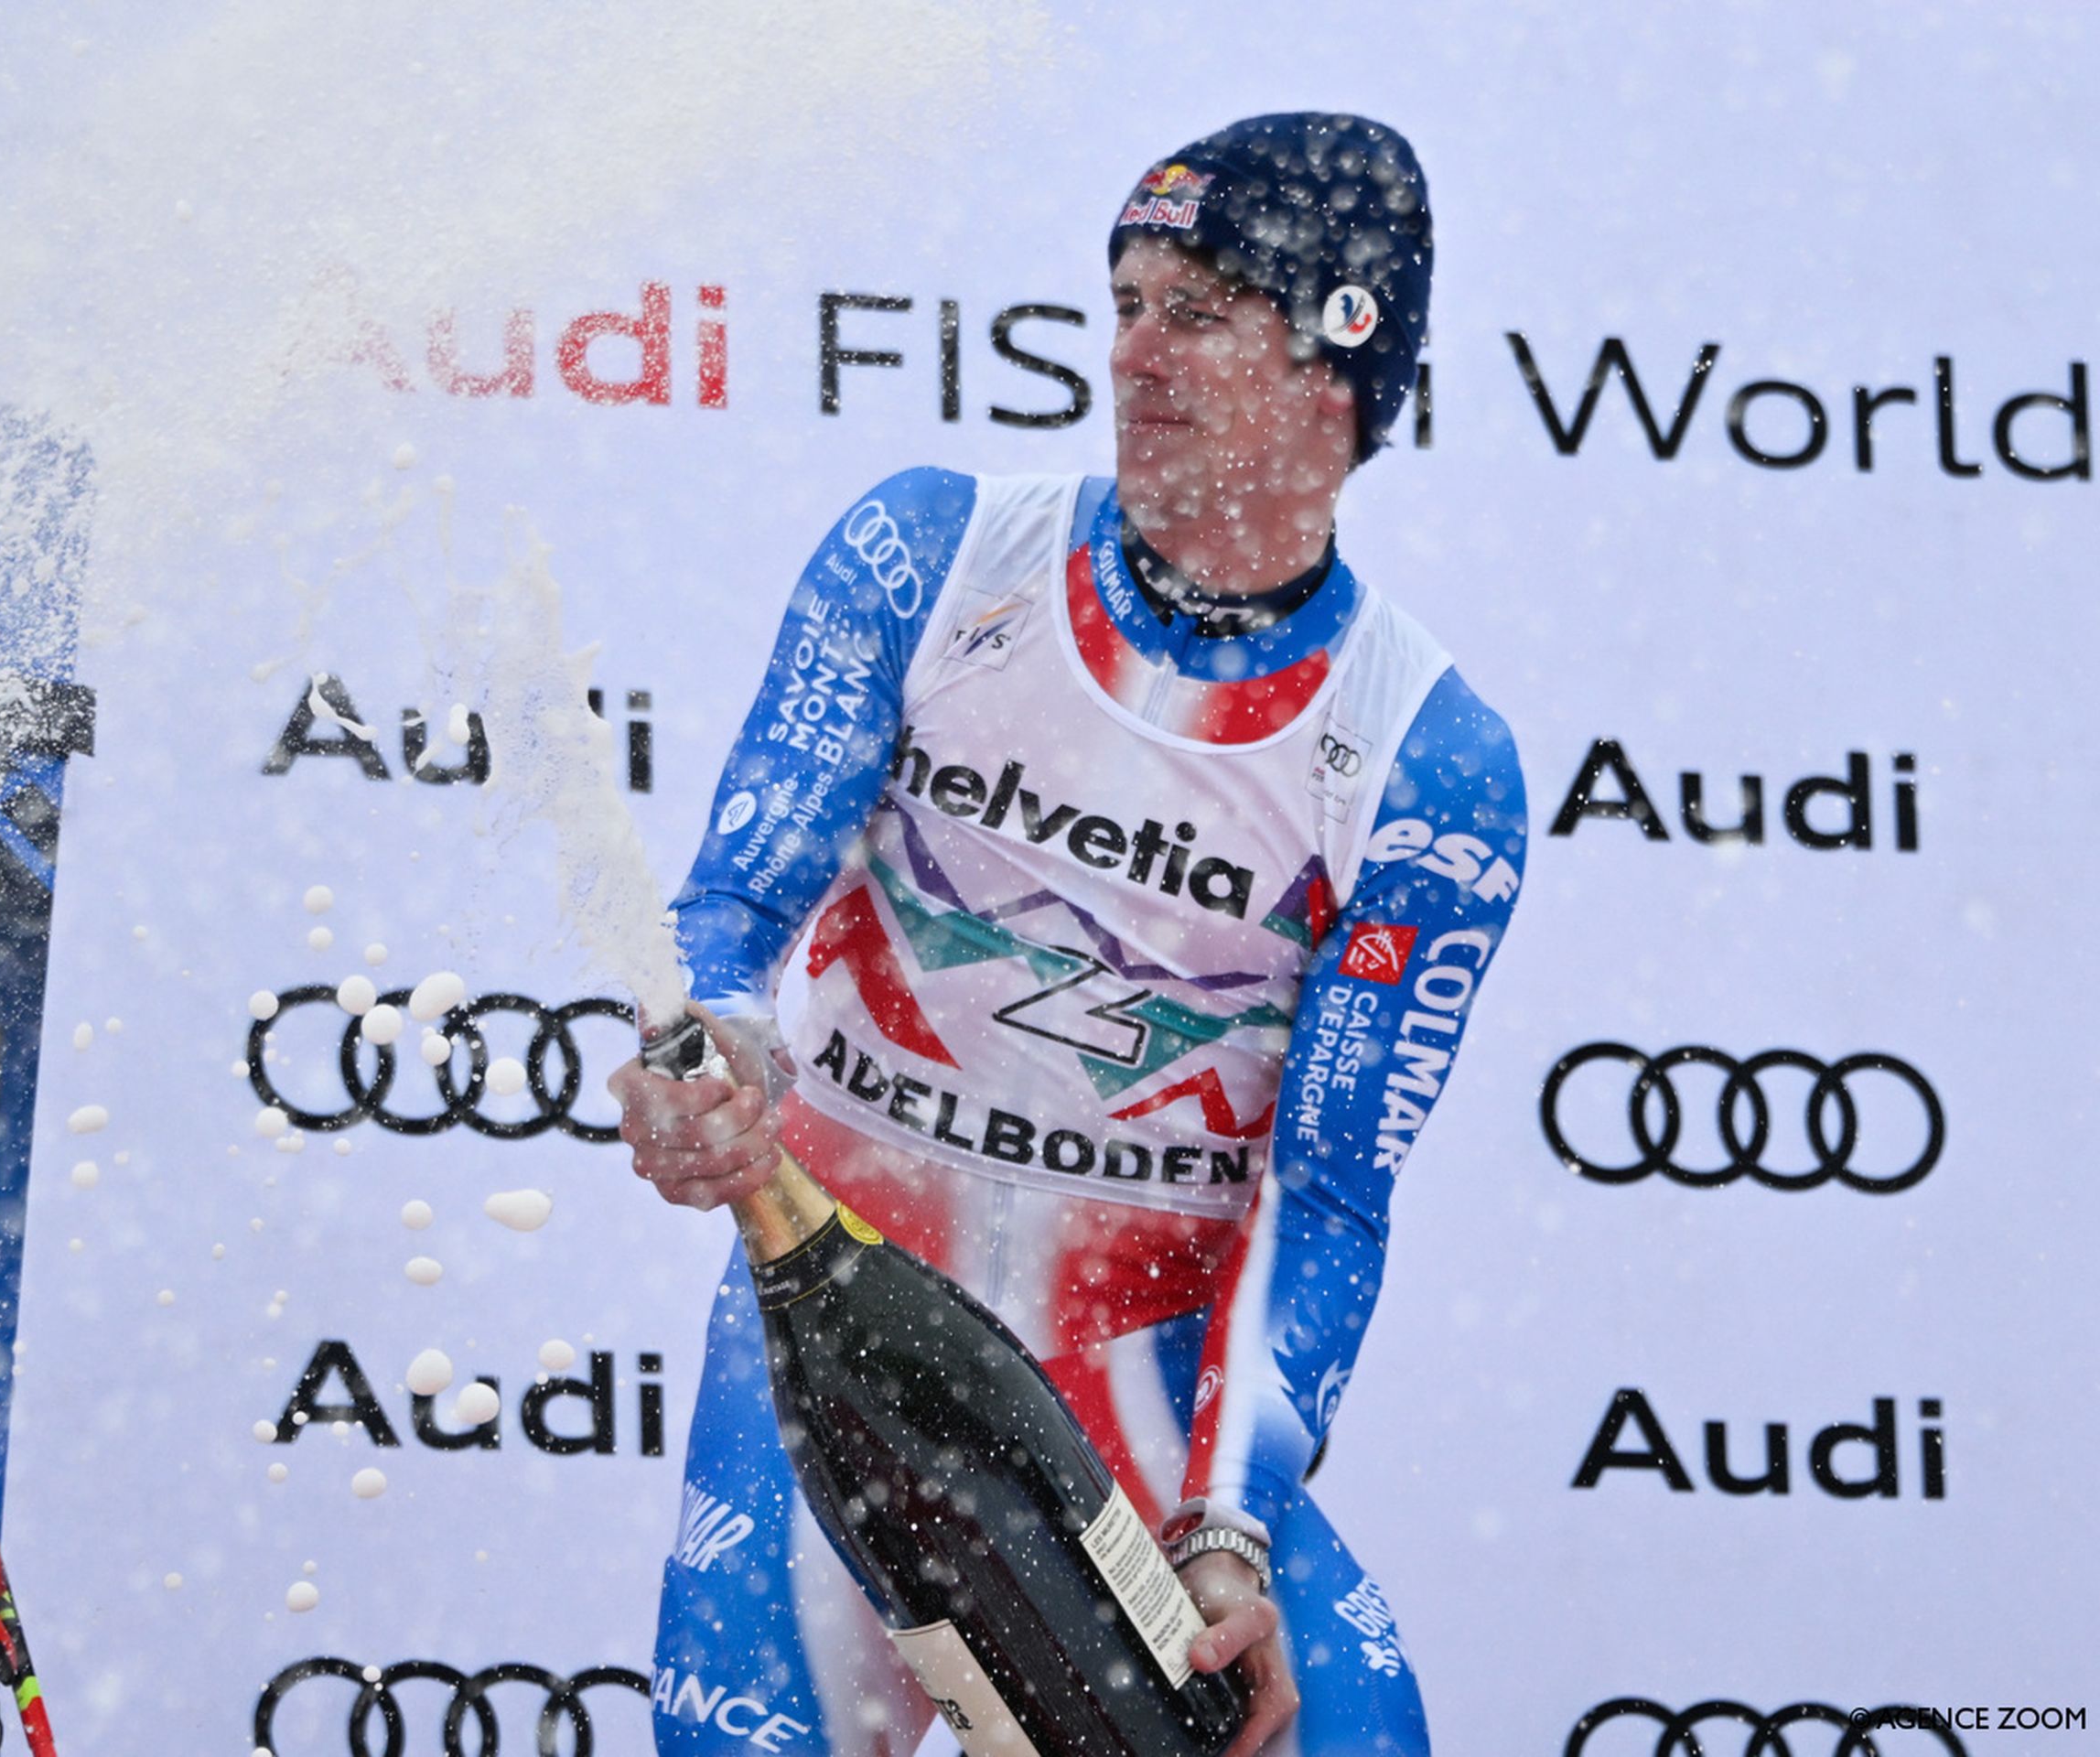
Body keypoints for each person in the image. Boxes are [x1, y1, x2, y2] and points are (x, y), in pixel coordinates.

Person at [612, 113, 1525, 1757]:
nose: (1132, 354)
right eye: (1123, 302)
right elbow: (741, 910)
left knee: (1361, 1733)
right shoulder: (934, 554)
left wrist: (1230, 1524)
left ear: (1339, 352)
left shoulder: (1428, 762)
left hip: (1145, 1402)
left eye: (1196, 311)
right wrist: (719, 1041)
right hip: (846, 1336)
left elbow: (1323, 1195)